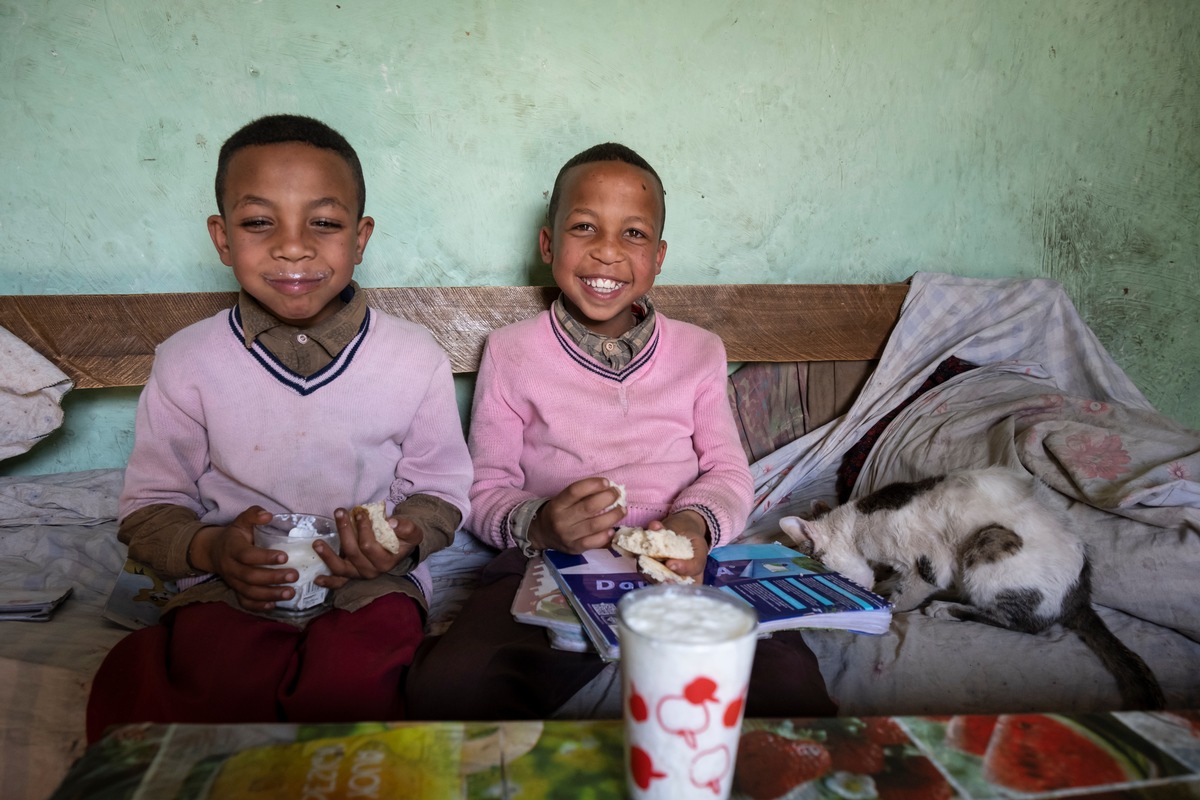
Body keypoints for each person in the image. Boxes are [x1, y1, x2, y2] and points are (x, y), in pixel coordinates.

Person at [404, 142, 836, 720]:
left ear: (658, 257)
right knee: (452, 688)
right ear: (548, 244)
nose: (607, 252)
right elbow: (485, 487)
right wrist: (541, 522)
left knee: (784, 684)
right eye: (584, 227)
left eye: (632, 234)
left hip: (686, 567)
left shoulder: (699, 352)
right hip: (551, 560)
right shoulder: (510, 353)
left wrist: (693, 525)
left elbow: (727, 471)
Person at [85, 114, 472, 742]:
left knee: (353, 691)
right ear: (221, 238)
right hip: (235, 584)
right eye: (259, 222)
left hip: (368, 585)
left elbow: (442, 489)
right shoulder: (187, 361)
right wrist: (212, 551)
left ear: (361, 235)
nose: (293, 247)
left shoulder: (414, 356)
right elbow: (153, 507)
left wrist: (401, 539)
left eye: (324, 222)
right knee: (212, 688)